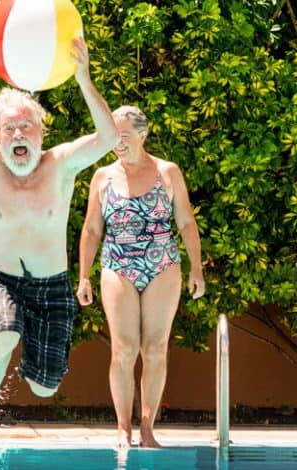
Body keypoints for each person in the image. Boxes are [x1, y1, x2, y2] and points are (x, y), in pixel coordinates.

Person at [0, 31, 119, 433]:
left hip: (51, 285)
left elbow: (108, 137)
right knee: (4, 332)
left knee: (44, 387)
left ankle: (30, 358)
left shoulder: (62, 164)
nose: (18, 134)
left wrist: (83, 79)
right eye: (9, 129)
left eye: (26, 126)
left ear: (42, 131)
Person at [76, 105, 205, 448]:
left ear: (142, 135)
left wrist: (197, 268)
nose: (117, 142)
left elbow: (186, 222)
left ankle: (147, 426)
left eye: (123, 136)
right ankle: (123, 427)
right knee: (123, 348)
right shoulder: (103, 177)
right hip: (118, 262)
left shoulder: (168, 172)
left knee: (155, 348)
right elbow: (91, 229)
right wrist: (84, 277)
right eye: (112, 136)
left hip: (162, 262)